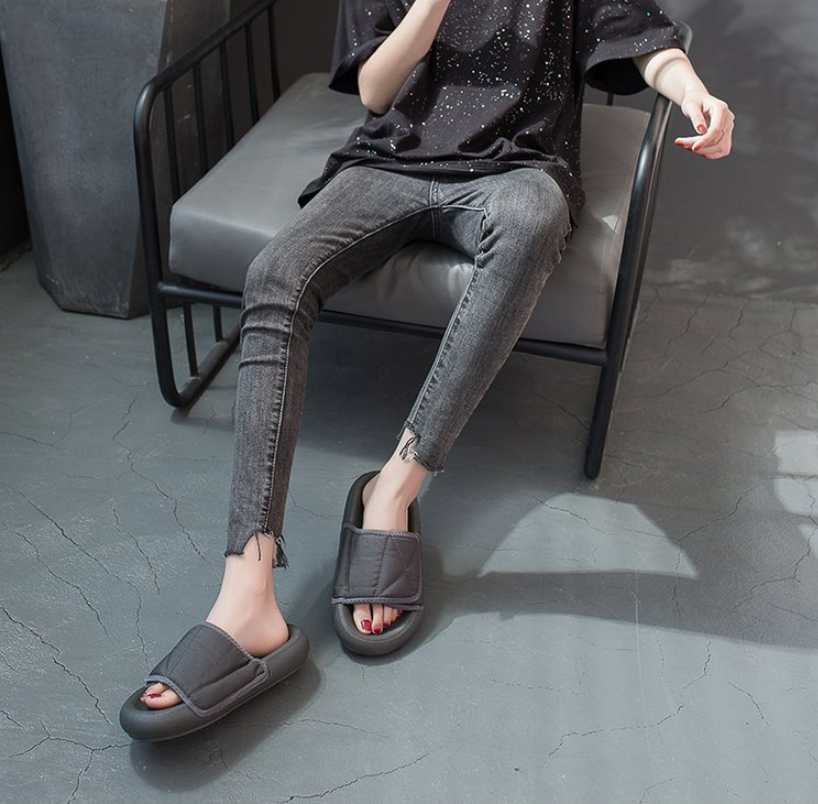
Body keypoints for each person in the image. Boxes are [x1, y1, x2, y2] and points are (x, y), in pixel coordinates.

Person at [120, 0, 734, 739]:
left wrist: (694, 91)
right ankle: (245, 595)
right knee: (275, 274)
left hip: (518, 168)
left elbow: (644, 39)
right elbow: (376, 90)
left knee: (532, 223)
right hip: (390, 161)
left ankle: (393, 489)